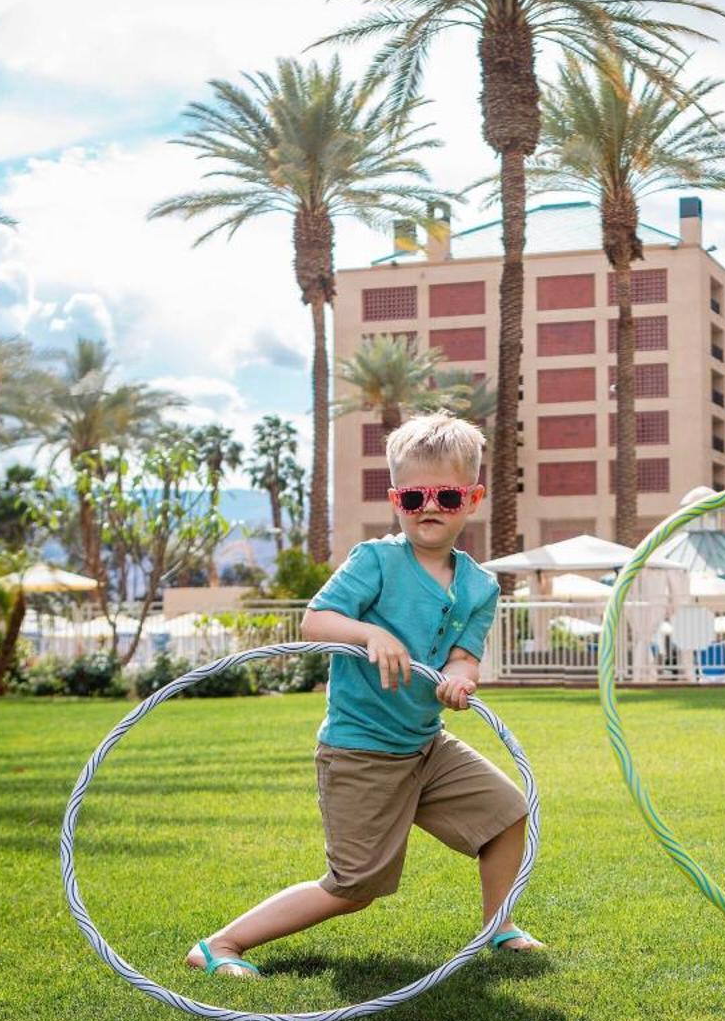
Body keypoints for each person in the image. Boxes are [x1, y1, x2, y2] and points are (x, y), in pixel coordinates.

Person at [186, 411, 540, 978]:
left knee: (506, 814)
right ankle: (220, 945)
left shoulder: (480, 585)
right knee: (355, 888)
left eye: (447, 496)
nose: (429, 507)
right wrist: (371, 632)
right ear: (395, 498)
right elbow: (316, 621)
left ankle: (497, 928)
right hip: (362, 750)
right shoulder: (376, 561)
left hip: (426, 744)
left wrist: (460, 680)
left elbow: (464, 656)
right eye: (415, 495)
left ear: (472, 499)